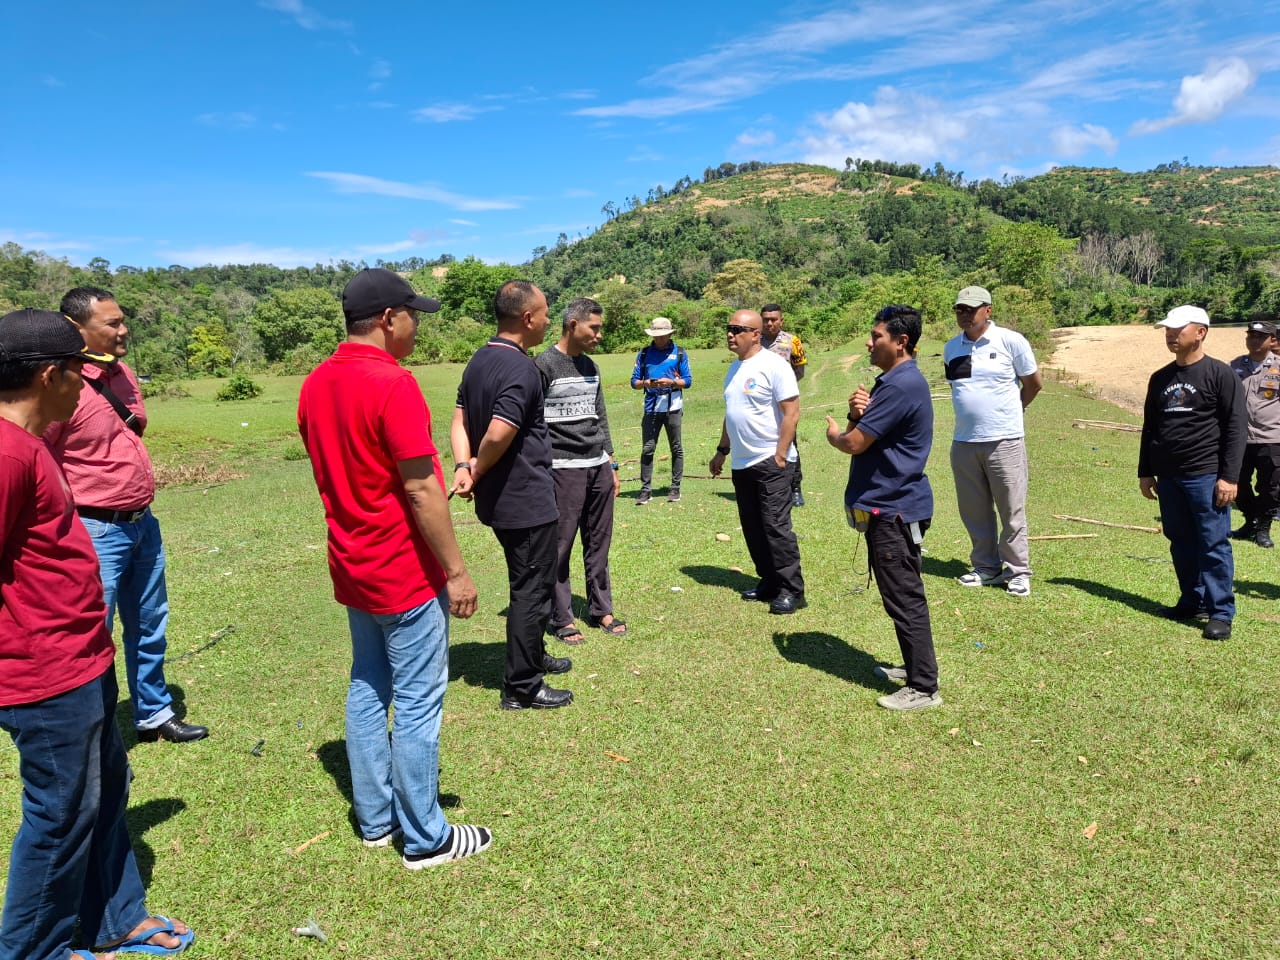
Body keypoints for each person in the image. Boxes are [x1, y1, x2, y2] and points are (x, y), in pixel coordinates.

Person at [1, 308, 194, 960]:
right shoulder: (7, 452)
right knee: (60, 815)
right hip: (42, 671)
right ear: (50, 376)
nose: (85, 386)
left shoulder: (28, 443)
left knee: (104, 791)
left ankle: (116, 919)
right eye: (77, 374)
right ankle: (35, 952)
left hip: (81, 658)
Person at [297, 268, 492, 869]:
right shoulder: (392, 383)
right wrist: (455, 572)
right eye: (413, 316)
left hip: (353, 563)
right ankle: (427, 837)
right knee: (417, 700)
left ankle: (376, 819)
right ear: (388, 319)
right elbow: (421, 488)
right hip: (403, 569)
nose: (416, 327)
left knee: (367, 684)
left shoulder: (314, 383)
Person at [45, 287, 208, 743]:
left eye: (122, 320)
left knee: (150, 623)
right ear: (77, 328)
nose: (124, 330)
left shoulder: (123, 374)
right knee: (93, 634)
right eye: (112, 323)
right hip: (93, 527)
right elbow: (40, 454)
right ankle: (95, 733)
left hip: (141, 522)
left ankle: (153, 713)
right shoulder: (62, 384)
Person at [452, 280, 574, 709]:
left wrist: (463, 466)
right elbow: (499, 432)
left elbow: (459, 418)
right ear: (527, 318)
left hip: (500, 501)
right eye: (544, 313)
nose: (548, 320)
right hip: (524, 501)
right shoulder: (522, 368)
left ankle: (533, 654)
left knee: (529, 581)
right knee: (532, 589)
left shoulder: (479, 359)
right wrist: (478, 468)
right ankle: (522, 686)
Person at [824, 305, 940, 710]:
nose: (869, 343)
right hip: (889, 506)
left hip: (895, 509)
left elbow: (854, 443)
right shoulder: (892, 382)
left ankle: (923, 687)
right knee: (899, 595)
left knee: (904, 597)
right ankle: (914, 668)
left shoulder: (900, 386)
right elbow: (866, 431)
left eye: (877, 336)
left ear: (901, 342)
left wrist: (836, 434)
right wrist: (857, 413)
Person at [1140, 305, 1246, 641]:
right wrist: (1146, 471)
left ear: (1200, 332)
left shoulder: (1220, 374)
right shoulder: (1160, 378)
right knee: (1180, 540)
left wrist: (1229, 476)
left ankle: (1220, 613)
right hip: (1169, 477)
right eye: (1168, 330)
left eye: (1178, 330)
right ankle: (1192, 600)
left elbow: (1236, 428)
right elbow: (1151, 427)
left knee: (1213, 544)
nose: (1171, 335)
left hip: (1205, 475)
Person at [534, 297, 627, 644]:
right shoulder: (543, 365)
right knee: (560, 546)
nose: (599, 335)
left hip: (597, 466)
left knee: (599, 542)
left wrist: (611, 463)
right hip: (562, 469)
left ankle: (601, 609)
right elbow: (534, 422)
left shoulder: (591, 366)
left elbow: (600, 416)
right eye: (595, 328)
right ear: (573, 325)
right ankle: (561, 618)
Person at [943, 285, 1042, 597]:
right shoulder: (951, 348)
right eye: (960, 309)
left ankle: (1018, 572)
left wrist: (1013, 411)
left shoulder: (1011, 341)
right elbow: (960, 388)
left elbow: (1033, 384)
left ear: (988, 310)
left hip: (1004, 441)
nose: (965, 315)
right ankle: (986, 567)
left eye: (971, 309)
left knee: (1011, 510)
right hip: (964, 441)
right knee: (974, 511)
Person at [708, 309, 804, 614]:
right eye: (729, 328)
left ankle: (792, 589)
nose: (730, 334)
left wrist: (780, 454)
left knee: (776, 527)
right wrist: (722, 450)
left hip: (770, 461)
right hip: (741, 462)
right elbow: (732, 413)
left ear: (755, 334)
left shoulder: (774, 366)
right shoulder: (734, 369)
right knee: (753, 527)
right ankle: (770, 581)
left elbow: (792, 413)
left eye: (737, 329)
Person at [1228, 317, 1280, 549]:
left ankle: (1263, 528)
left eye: (1260, 337)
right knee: (1236, 483)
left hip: (1272, 437)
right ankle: (1251, 521)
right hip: (1240, 437)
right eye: (1251, 336)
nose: (1255, 340)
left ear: (1272, 340)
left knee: (1271, 487)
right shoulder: (1234, 366)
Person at [630, 316, 692, 504]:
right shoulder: (644, 354)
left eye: (663, 335)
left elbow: (688, 381)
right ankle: (645, 489)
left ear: (670, 334)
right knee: (648, 448)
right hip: (651, 407)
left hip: (673, 406)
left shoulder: (679, 353)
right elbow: (634, 382)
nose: (660, 339)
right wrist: (646, 383)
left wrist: (671, 382)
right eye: (657, 335)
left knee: (676, 447)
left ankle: (675, 488)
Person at [760, 304, 808, 506]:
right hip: (760, 403)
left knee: (789, 443)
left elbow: (800, 370)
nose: (769, 323)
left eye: (774, 319)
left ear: (781, 320)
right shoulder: (754, 341)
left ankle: (795, 488)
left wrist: (783, 390)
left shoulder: (792, 341)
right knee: (762, 442)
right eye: (766, 319)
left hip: (784, 403)